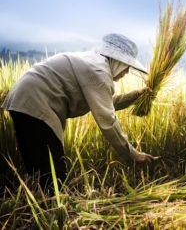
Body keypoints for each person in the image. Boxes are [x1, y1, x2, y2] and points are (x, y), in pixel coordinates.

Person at [1, 33, 157, 193]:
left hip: (23, 101)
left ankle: (41, 209)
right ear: (117, 61)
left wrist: (136, 95)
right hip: (35, 103)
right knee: (54, 174)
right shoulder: (98, 71)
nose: (127, 72)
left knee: (41, 170)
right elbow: (108, 121)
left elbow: (104, 104)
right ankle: (53, 211)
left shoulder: (94, 62)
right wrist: (133, 155)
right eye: (127, 66)